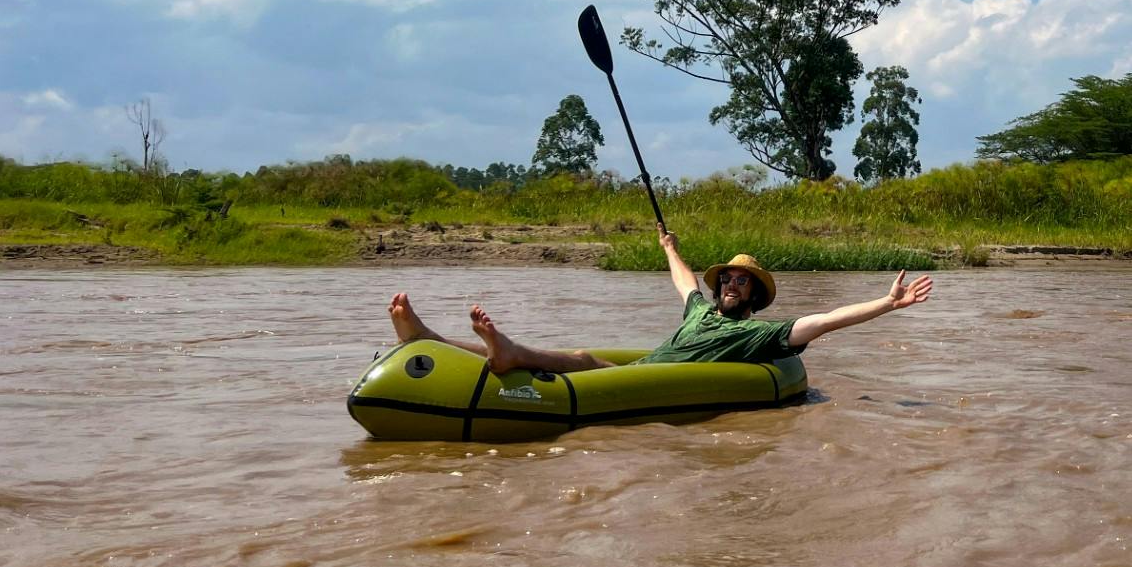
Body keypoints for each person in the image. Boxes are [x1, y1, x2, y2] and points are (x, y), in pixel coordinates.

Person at [385, 225, 932, 375]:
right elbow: (684, 282)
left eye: (741, 283)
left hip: (642, 383)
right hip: (646, 366)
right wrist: (670, 248)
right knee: (578, 357)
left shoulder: (753, 334)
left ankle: (506, 351)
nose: (730, 286)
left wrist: (886, 304)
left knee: (576, 360)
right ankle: (429, 339)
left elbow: (821, 321)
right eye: (727, 280)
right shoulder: (702, 306)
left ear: (753, 297)